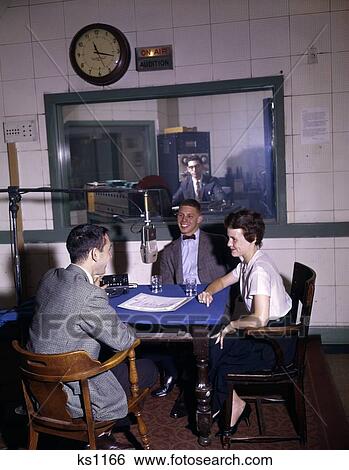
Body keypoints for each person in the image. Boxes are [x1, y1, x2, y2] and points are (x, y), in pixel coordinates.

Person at [27, 224, 157, 449]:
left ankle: (98, 436)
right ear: (95, 254)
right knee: (148, 369)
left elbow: (70, 304)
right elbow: (124, 341)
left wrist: (94, 291)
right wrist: (100, 298)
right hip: (74, 391)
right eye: (109, 250)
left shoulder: (50, 277)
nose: (109, 256)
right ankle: (100, 434)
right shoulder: (90, 295)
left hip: (40, 387)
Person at [198, 210, 295, 435]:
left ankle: (230, 406)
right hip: (266, 334)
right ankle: (224, 404)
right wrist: (208, 292)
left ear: (251, 238)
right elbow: (222, 281)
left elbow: (259, 318)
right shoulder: (247, 262)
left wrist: (232, 325)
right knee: (213, 347)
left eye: (234, 239)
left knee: (216, 353)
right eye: (229, 237)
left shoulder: (259, 270)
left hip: (276, 344)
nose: (229, 243)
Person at [150, 199, 234, 419]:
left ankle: (207, 390)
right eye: (180, 216)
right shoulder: (169, 251)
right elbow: (168, 288)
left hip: (213, 300)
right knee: (164, 336)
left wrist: (231, 302)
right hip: (184, 303)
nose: (184, 220)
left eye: (189, 216)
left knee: (206, 341)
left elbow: (236, 275)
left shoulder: (219, 242)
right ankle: (185, 388)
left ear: (200, 219)